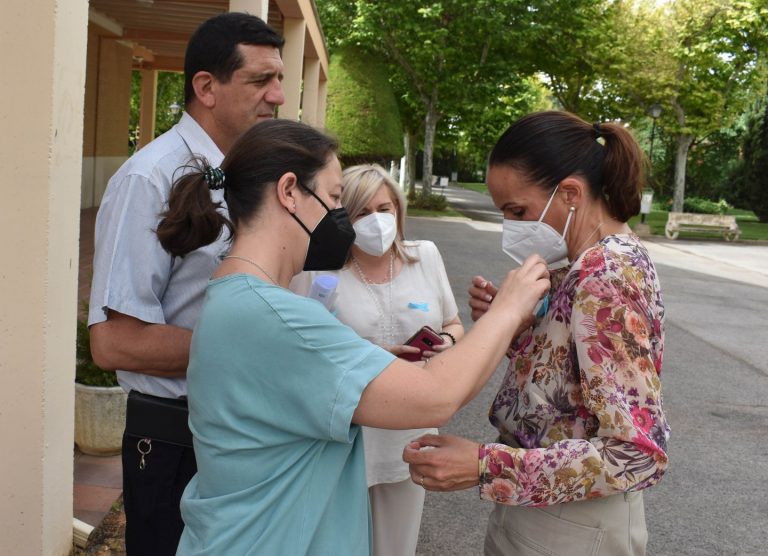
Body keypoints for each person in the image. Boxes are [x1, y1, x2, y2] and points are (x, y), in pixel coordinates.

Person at [154, 119, 550, 555]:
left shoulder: (237, 298)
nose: (342, 217)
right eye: (336, 197)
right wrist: (510, 308)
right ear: (289, 192)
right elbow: (436, 395)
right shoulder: (275, 317)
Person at [404, 111, 670, 556]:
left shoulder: (605, 276)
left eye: (518, 210)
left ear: (570, 194)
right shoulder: (582, 265)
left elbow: (635, 454)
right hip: (554, 507)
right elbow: (571, 391)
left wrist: (485, 466)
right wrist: (517, 329)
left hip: (573, 525)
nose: (511, 226)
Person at [87, 13, 285, 554]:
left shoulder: (251, 174)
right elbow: (115, 342)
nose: (279, 96)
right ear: (206, 87)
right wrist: (260, 351)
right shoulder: (148, 179)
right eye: (261, 81)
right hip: (179, 437)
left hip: (245, 426)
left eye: (281, 79)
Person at [290, 163, 464, 555]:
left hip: (410, 432)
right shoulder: (317, 272)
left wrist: (447, 342)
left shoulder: (426, 257)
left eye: (384, 209)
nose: (377, 221)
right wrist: (368, 358)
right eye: (362, 212)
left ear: (398, 211)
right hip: (344, 436)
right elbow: (297, 350)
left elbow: (454, 322)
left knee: (396, 546)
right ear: (343, 218)